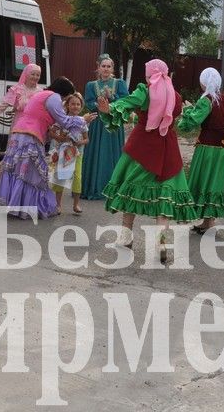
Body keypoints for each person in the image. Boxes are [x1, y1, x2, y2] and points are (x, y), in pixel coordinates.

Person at [97, 59, 199, 260]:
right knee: (164, 197)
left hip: (142, 148)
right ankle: (161, 243)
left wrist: (110, 109)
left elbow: (127, 103)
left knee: (129, 191)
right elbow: (173, 115)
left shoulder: (145, 91)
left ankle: (126, 237)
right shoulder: (176, 96)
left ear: (149, 74)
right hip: (168, 149)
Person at [0, 77, 94, 220]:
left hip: (21, 133)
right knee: (31, 173)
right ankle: (26, 208)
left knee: (21, 171)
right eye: (67, 95)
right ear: (63, 92)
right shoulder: (53, 97)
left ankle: (19, 206)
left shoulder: (42, 94)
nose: (66, 99)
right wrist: (82, 120)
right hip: (31, 135)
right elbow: (65, 121)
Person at [178, 67, 224, 233]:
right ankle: (208, 222)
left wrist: (187, 112)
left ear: (204, 82)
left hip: (207, 147)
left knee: (204, 179)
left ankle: (208, 223)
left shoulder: (206, 100)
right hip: (222, 147)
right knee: (215, 182)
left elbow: (194, 120)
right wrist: (223, 134)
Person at [81, 53, 129, 199]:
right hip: (97, 124)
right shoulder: (91, 85)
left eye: (109, 66)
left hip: (113, 124)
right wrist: (100, 104)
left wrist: (112, 98)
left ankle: (112, 187)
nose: (106, 69)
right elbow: (88, 102)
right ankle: (94, 187)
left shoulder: (119, 83)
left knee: (111, 154)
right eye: (103, 66)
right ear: (98, 68)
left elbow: (126, 101)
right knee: (96, 153)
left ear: (112, 68)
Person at [47, 92, 88, 214]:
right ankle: (58, 205)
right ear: (68, 106)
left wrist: (79, 142)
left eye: (78, 104)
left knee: (77, 177)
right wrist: (61, 138)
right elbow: (51, 132)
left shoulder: (82, 121)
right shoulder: (61, 119)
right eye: (73, 104)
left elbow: (87, 139)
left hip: (77, 153)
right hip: (62, 153)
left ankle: (76, 205)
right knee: (60, 177)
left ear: (81, 106)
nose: (75, 106)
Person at [0, 63, 41, 130]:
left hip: (34, 126)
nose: (35, 77)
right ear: (26, 75)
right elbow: (4, 104)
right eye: (33, 74)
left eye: (38, 75)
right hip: (19, 124)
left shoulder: (41, 92)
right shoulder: (17, 89)